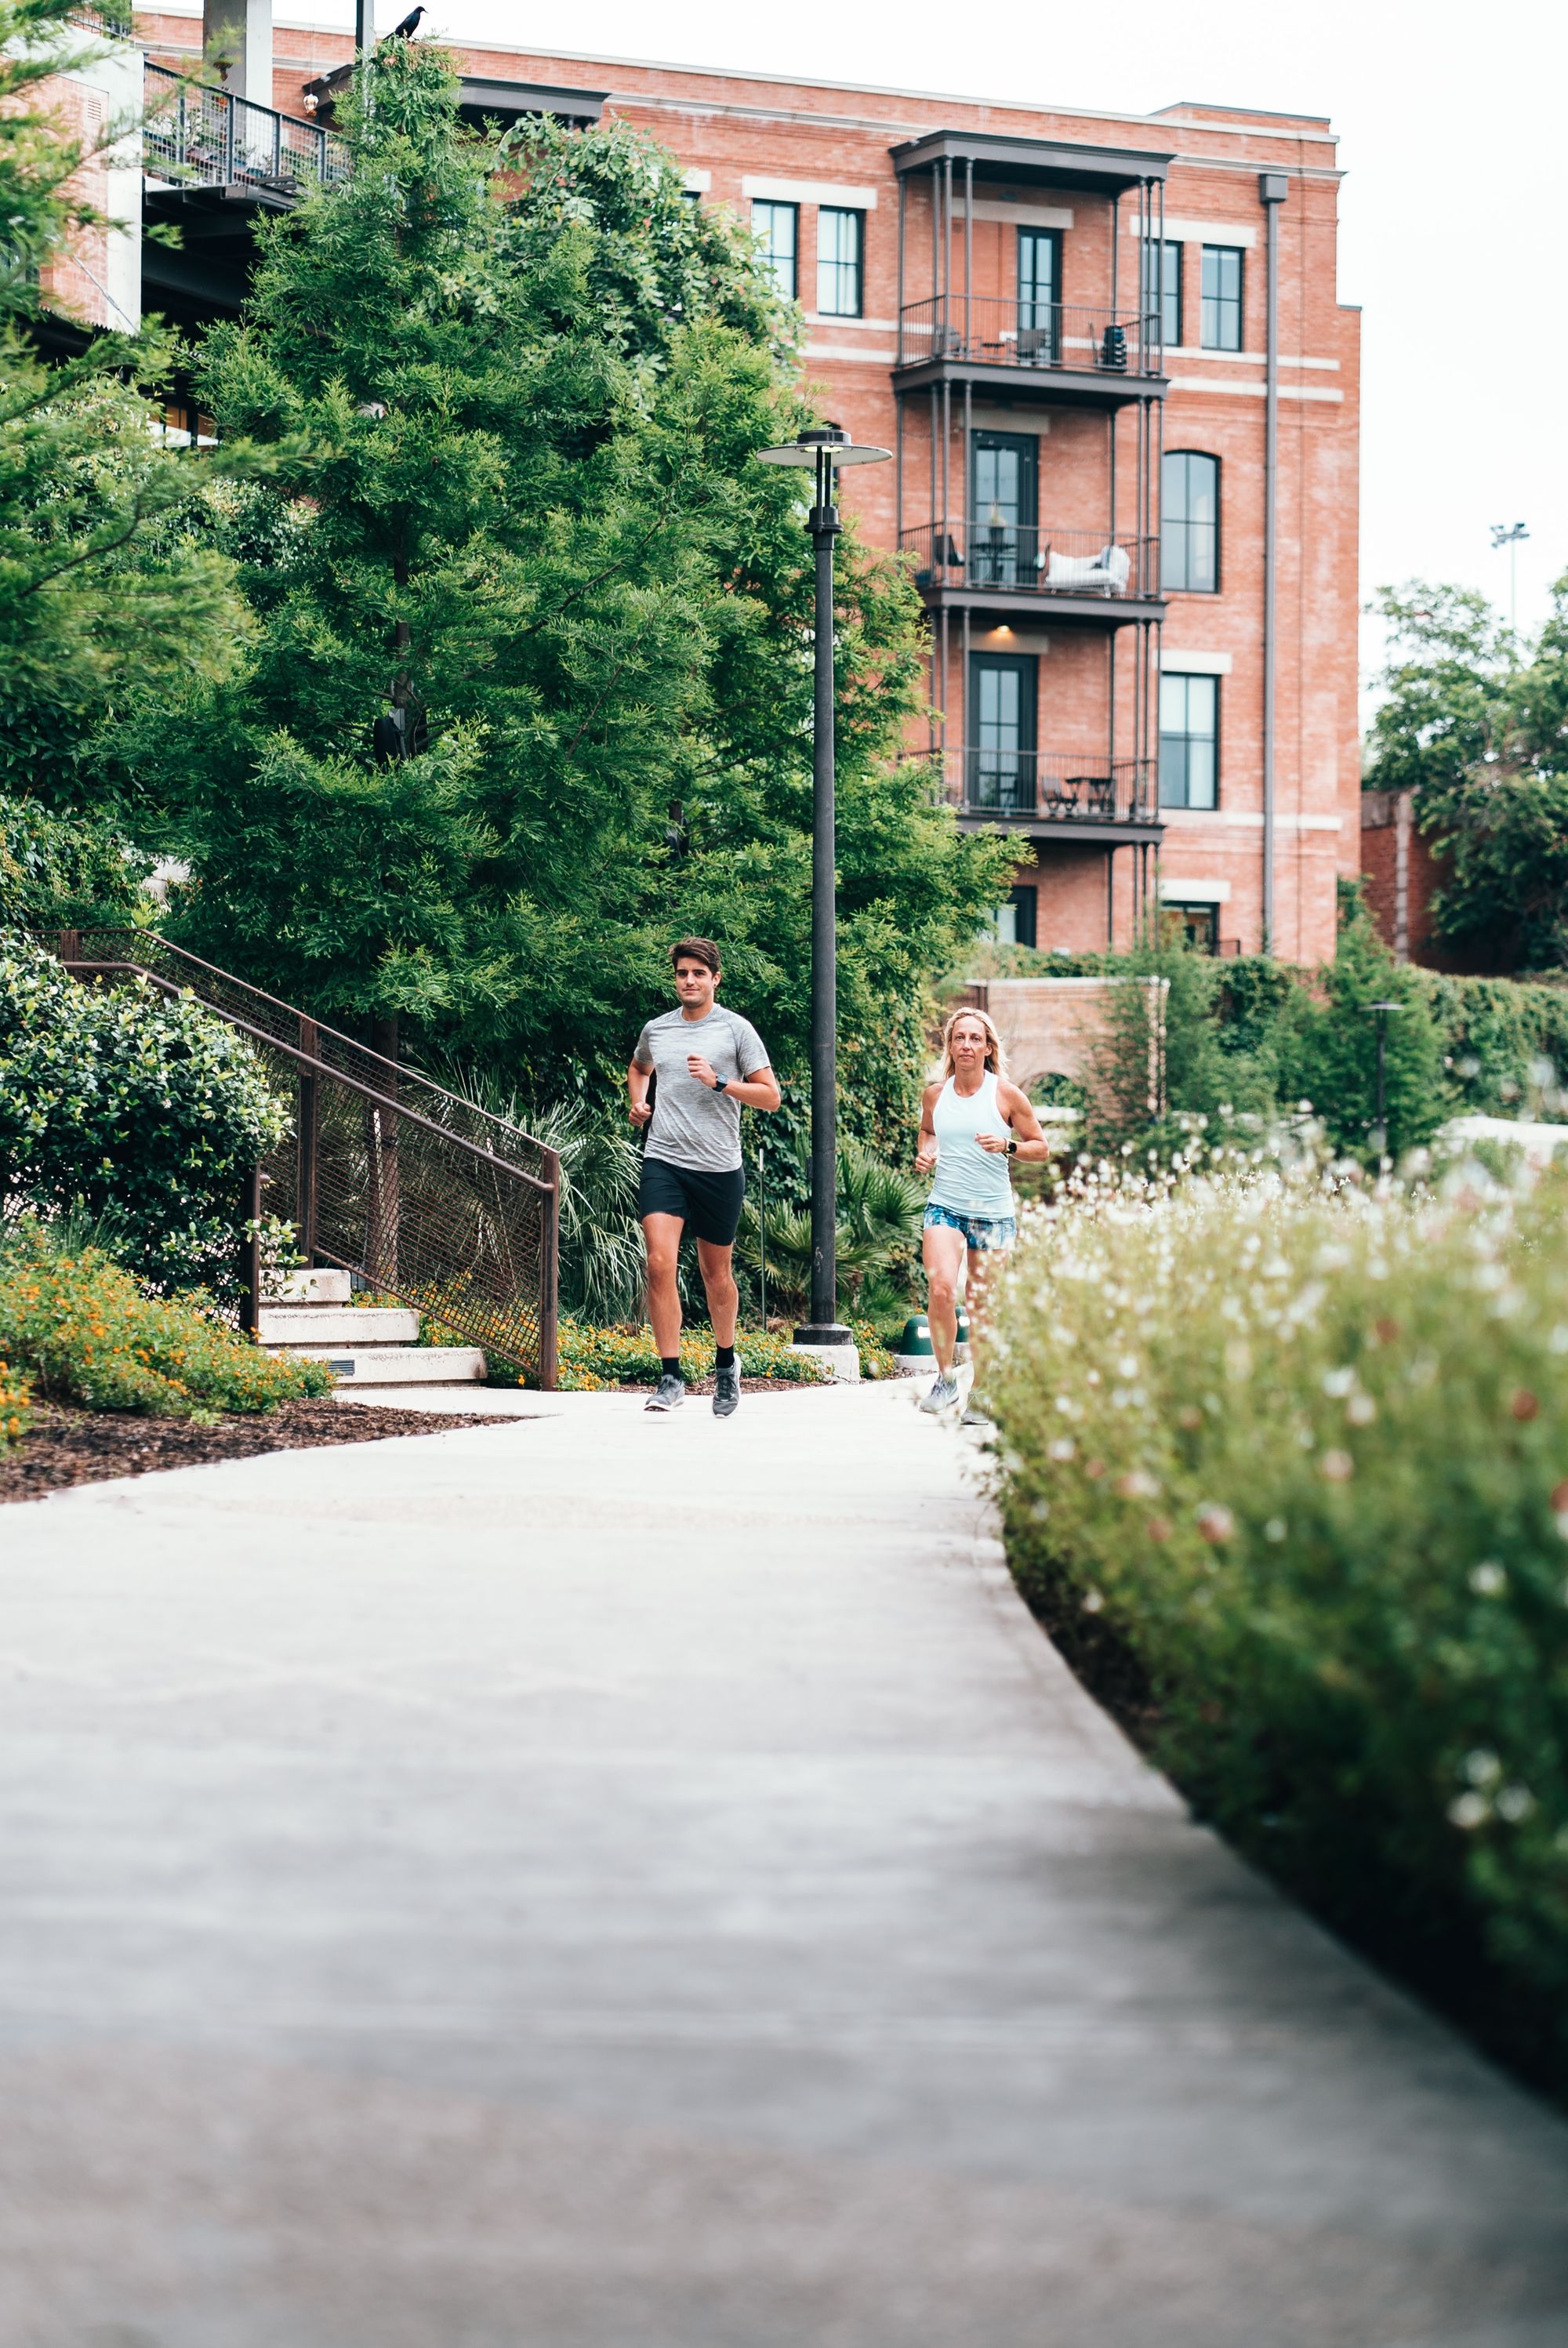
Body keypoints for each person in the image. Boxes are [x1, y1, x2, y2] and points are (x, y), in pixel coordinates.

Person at [629, 938, 781, 1417]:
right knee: (658, 1262)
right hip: (665, 1160)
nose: (689, 981)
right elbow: (639, 1067)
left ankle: (726, 1364)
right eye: (682, 973)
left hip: (718, 1167)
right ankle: (671, 1375)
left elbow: (770, 1096)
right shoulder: (658, 1029)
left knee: (716, 1275)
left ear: (715, 978)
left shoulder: (736, 1030)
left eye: (698, 973)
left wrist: (719, 1082)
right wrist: (638, 1102)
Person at [914, 1005, 1051, 1419]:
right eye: (960, 1038)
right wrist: (926, 1153)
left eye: (976, 1038)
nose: (967, 1045)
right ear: (950, 1046)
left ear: (988, 1046)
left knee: (981, 1302)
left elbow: (1041, 1148)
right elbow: (927, 1132)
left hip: (992, 1212)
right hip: (946, 1205)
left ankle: (984, 1391)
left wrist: (1007, 1146)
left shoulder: (1006, 1095)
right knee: (941, 1287)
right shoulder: (935, 1095)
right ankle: (944, 1378)